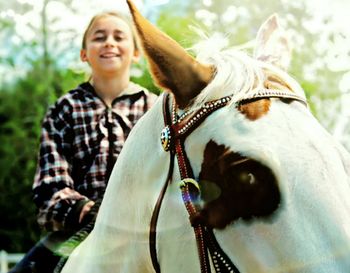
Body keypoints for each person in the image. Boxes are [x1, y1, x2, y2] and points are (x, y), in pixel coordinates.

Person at [9, 11, 158, 273]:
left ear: (136, 53)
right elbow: (50, 183)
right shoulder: (64, 109)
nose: (109, 43)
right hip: (77, 229)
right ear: (83, 54)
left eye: (119, 37)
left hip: (144, 229)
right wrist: (87, 210)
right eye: (99, 37)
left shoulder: (153, 109)